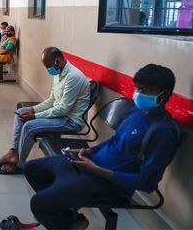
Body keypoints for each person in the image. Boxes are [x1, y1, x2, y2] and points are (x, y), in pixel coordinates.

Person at [23, 64, 181, 230]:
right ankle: (69, 218)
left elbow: (147, 183)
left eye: (148, 90)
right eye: (139, 88)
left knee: (38, 203)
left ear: (164, 94)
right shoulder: (136, 111)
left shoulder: (162, 132)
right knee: (32, 168)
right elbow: (116, 139)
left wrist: (97, 170)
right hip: (90, 164)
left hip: (108, 184)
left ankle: (65, 221)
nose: (140, 93)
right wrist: (90, 151)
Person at [0, 47, 90, 174]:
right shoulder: (59, 72)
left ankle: (20, 165)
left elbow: (64, 109)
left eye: (48, 66)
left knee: (29, 126)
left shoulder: (73, 77)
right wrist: (32, 109)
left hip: (71, 121)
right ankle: (13, 152)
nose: (47, 69)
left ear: (57, 61)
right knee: (22, 111)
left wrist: (34, 116)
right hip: (61, 114)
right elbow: (52, 100)